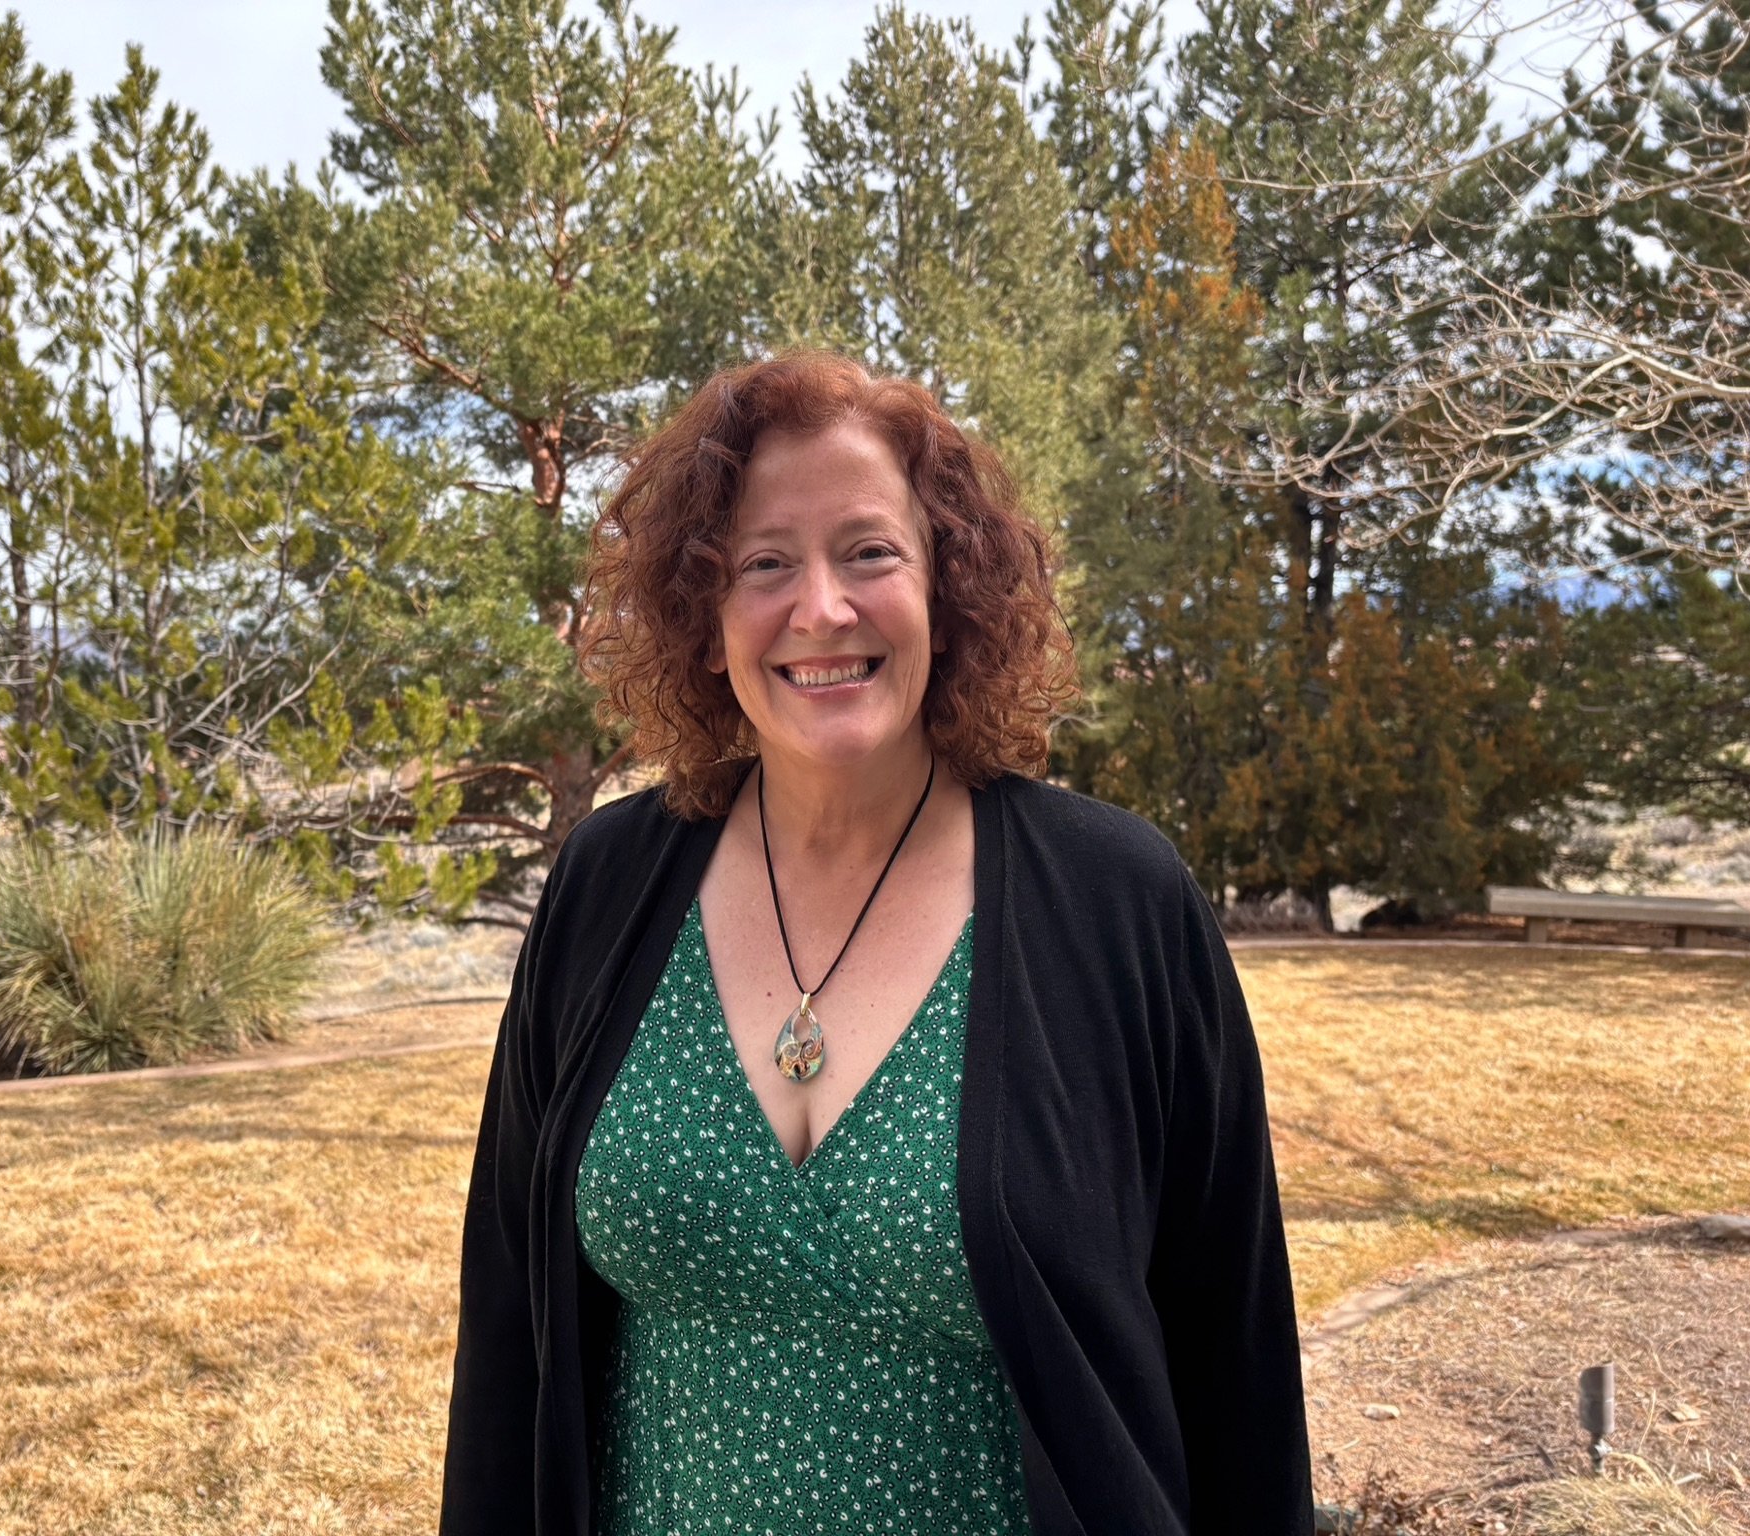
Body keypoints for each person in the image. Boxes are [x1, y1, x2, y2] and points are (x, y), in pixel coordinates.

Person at [437, 351, 1312, 1535]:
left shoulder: (1118, 905)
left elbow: (1234, 1355)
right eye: (764, 563)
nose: (821, 609)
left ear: (947, 586)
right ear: (705, 619)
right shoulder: (608, 887)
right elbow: (509, 1332)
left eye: (869, 551)